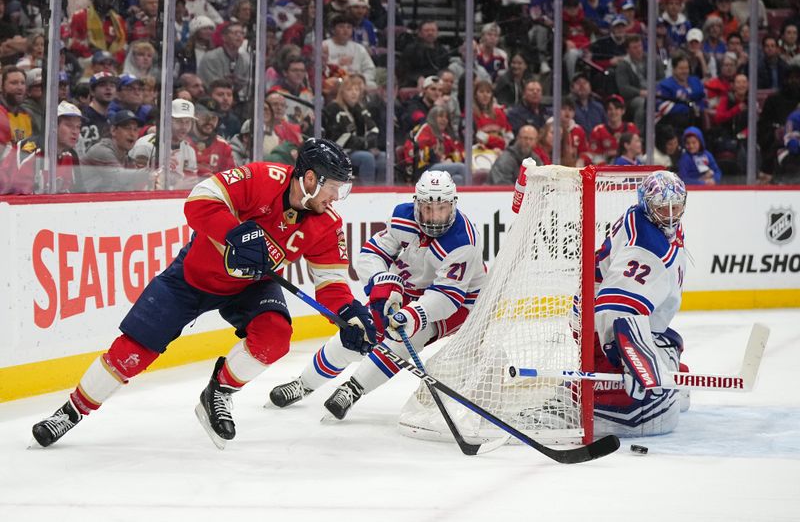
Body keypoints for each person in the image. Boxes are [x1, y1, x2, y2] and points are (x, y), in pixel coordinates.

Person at [31, 138, 377, 449]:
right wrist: (236, 233)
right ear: (312, 179)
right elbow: (198, 199)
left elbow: (331, 284)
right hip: (192, 278)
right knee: (131, 352)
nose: (336, 198)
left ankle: (219, 392)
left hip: (251, 286)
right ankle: (72, 411)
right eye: (334, 188)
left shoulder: (327, 225)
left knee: (274, 336)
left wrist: (348, 313)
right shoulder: (263, 178)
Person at [268, 171, 485, 420]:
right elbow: (372, 253)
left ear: (453, 205)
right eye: (428, 209)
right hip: (409, 288)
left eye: (442, 209)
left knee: (406, 336)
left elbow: (447, 296)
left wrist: (413, 314)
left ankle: (353, 389)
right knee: (360, 330)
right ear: (417, 204)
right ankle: (304, 384)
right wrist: (382, 280)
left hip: (459, 302)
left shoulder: (462, 241)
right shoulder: (402, 216)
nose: (435, 218)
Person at [589, 171, 689, 437]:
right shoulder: (645, 246)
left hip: (616, 303)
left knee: (668, 342)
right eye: (661, 208)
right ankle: (610, 399)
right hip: (595, 313)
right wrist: (625, 356)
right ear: (646, 203)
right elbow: (615, 307)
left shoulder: (648, 220)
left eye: (675, 207)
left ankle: (661, 356)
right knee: (644, 406)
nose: (669, 215)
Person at [0, 101, 82, 194]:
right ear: (53, 126)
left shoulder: (71, 155)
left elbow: (80, 194)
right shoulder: (29, 149)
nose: (75, 131)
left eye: (78, 126)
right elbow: (19, 195)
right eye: (69, 125)